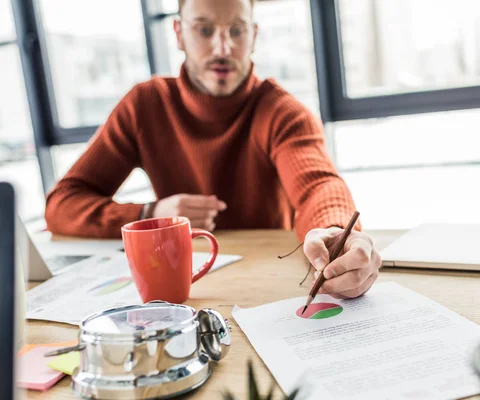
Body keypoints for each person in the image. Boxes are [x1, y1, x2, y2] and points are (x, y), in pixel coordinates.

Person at [44, 0, 381, 299]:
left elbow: (318, 185)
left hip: (266, 286)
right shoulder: (144, 105)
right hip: (185, 291)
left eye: (237, 30)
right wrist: (151, 214)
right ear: (178, 34)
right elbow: (63, 203)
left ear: (254, 35)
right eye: (204, 30)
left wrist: (334, 230)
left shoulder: (281, 112)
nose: (223, 47)